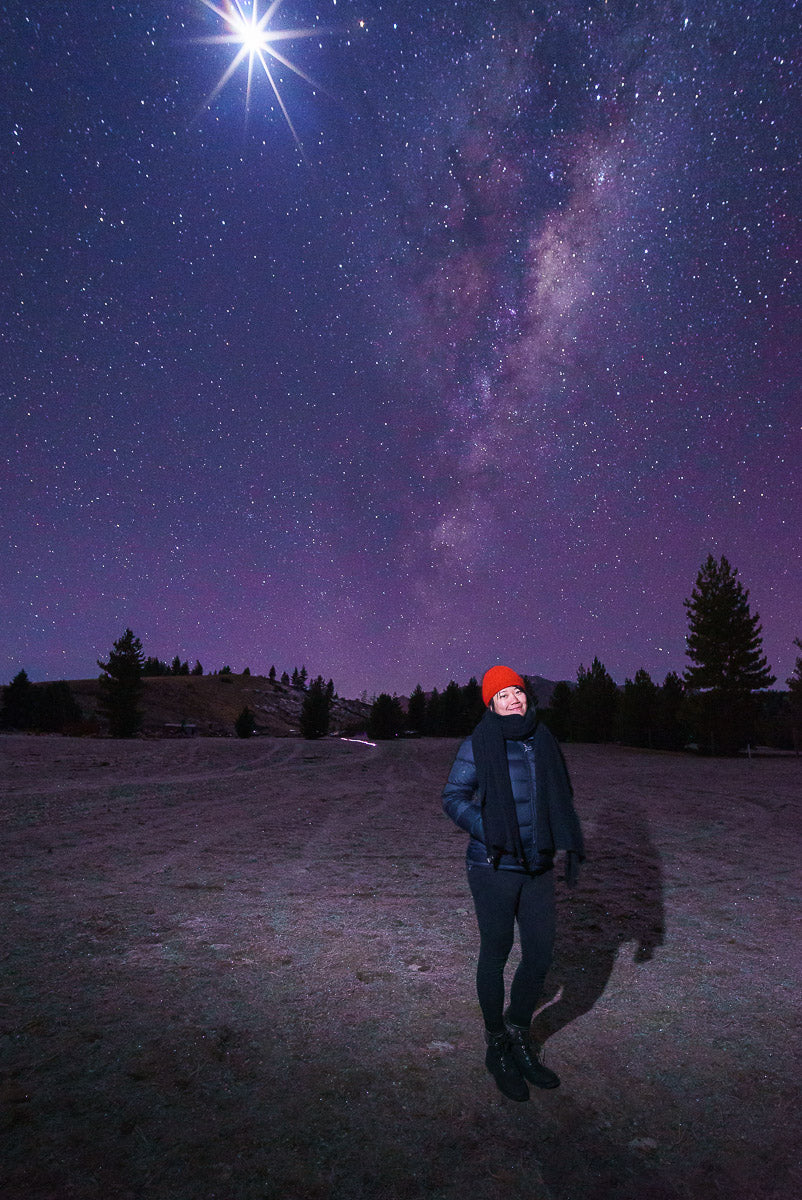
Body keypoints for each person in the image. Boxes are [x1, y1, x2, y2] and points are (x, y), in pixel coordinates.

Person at [441, 665, 584, 1102]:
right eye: (502, 695)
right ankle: (496, 1045)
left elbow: (563, 795)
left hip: (538, 865)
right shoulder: (478, 743)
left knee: (540, 954)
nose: (513, 700)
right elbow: (453, 797)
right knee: (497, 951)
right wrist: (491, 829)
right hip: (494, 866)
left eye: (517, 692)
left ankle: (520, 1032)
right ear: (490, 704)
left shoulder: (543, 739)